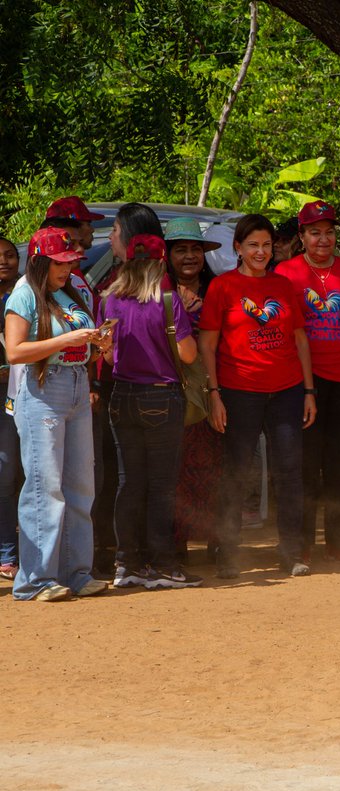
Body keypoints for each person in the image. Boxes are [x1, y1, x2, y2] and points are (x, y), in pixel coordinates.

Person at [199, 214, 317, 579]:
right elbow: (208, 343)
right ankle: (228, 553)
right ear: (238, 247)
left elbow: (299, 339)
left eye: (267, 245)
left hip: (287, 390)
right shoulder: (222, 287)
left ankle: (291, 552)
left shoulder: (282, 286)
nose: (261, 252)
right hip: (238, 391)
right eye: (253, 245)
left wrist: (309, 390)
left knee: (289, 472)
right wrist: (214, 394)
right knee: (236, 472)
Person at [4, 228, 110, 601]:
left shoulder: (74, 290)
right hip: (43, 390)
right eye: (58, 263)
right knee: (43, 486)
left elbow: (84, 347)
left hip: (76, 385)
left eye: (69, 262)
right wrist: (66, 340)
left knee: (80, 485)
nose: (66, 268)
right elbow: (14, 352)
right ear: (39, 261)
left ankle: (76, 572)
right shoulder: (24, 294)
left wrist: (98, 344)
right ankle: (35, 580)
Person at [275, 200, 340, 563]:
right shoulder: (285, 273)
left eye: (329, 232)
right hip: (303, 381)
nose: (323, 240)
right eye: (315, 232)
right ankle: (300, 542)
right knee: (304, 462)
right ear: (301, 237)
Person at [101, 234, 201, 589]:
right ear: (161, 264)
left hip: (122, 396)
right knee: (161, 487)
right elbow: (188, 354)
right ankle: (163, 564)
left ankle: (126, 563)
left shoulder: (109, 301)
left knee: (129, 484)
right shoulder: (167, 300)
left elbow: (110, 356)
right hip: (161, 396)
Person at [163, 218, 223, 555]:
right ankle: (177, 543)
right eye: (181, 250)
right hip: (172, 391)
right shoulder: (158, 294)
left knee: (215, 468)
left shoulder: (218, 290)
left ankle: (217, 539)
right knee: (175, 469)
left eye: (195, 249)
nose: (189, 256)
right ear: (168, 255)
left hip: (214, 389)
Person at [0, 236, 18, 580]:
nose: (4, 260)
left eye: (10, 255)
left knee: (7, 474)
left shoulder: (25, 295)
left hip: (11, 396)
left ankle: (7, 553)